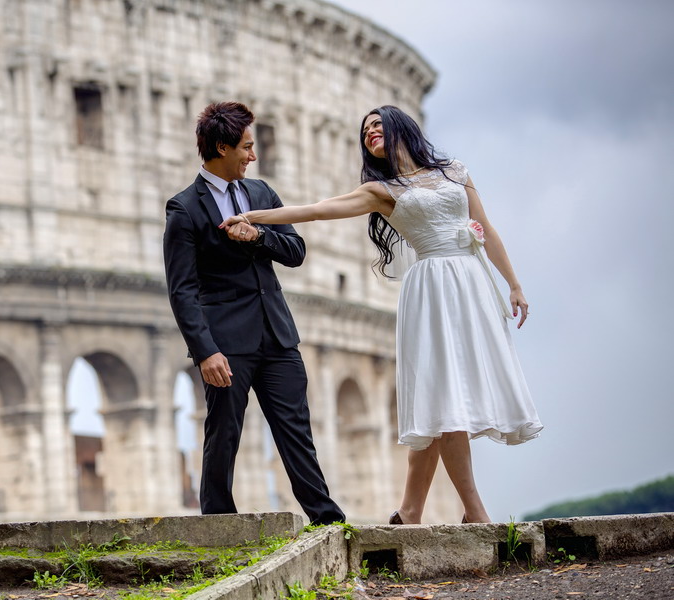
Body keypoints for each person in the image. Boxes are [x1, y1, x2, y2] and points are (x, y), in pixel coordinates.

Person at [222, 105, 542, 524]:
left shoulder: (454, 171)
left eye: (378, 125)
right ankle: (476, 512)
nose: (371, 133)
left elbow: (485, 227)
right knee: (447, 401)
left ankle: (409, 512)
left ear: (401, 129)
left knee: (441, 400)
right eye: (365, 131)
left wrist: (513, 285)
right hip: (431, 289)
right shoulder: (381, 191)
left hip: (469, 285)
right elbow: (318, 209)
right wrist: (254, 216)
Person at [163, 101, 345, 526]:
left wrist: (259, 235)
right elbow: (182, 290)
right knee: (224, 433)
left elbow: (296, 251)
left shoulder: (261, 194)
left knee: (296, 431)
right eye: (246, 146)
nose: (253, 155)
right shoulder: (185, 208)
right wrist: (205, 352)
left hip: (278, 335)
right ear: (222, 147)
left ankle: (328, 521)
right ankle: (218, 523)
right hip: (227, 343)